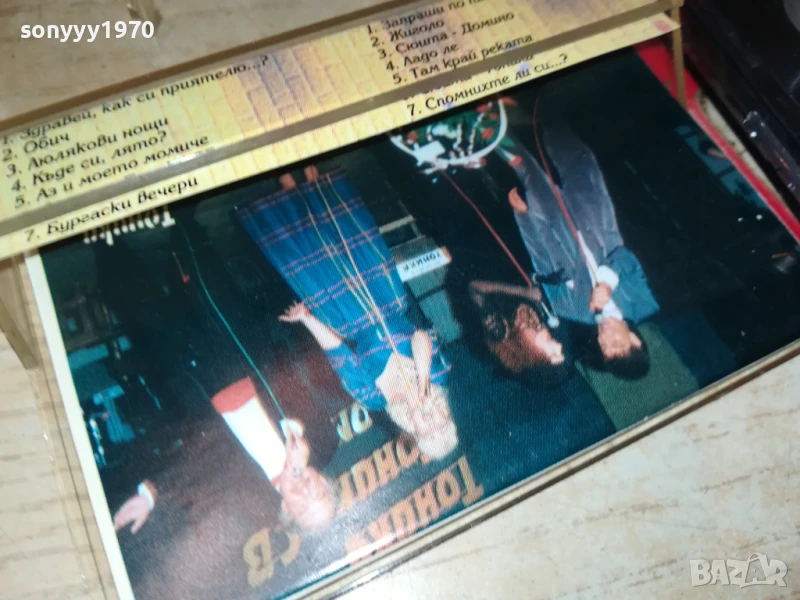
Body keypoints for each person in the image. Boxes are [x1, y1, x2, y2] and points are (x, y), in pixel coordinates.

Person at [237, 166, 459, 459]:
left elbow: (339, 354)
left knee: (310, 249)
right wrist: (422, 381)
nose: (432, 423)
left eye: (427, 432)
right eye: (442, 425)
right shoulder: (438, 374)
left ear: (413, 429)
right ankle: (316, 182)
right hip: (385, 293)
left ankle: (288, 188)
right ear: (446, 413)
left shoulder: (373, 399)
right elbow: (420, 336)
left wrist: (307, 319)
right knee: (344, 230)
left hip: (342, 313)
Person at [498, 106, 659, 378]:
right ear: (634, 340)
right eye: (617, 345)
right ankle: (538, 104)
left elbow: (543, 263)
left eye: (605, 348)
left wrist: (524, 217)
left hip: (551, 223)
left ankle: (489, 125)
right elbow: (626, 259)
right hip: (595, 214)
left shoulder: (569, 310)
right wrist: (606, 284)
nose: (605, 339)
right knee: (576, 157)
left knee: (524, 168)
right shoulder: (643, 303)